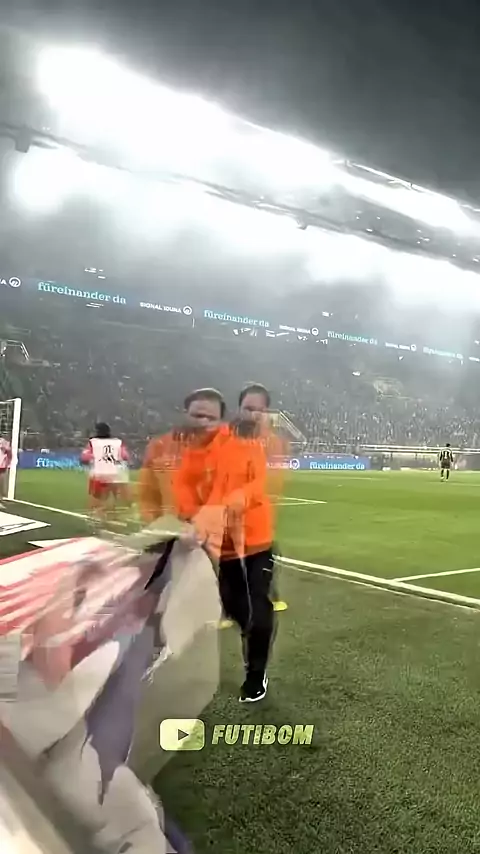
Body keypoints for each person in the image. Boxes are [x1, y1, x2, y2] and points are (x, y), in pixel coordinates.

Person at [80, 422, 130, 516]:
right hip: (116, 472)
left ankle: (96, 514)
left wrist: (97, 456)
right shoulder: (117, 442)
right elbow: (125, 456)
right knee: (113, 496)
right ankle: (113, 514)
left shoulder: (94, 442)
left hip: (100, 472)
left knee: (97, 497)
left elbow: (85, 457)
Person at [0, 436, 12, 506]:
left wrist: (8, 462)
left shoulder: (3, 442)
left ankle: (0, 499)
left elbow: (9, 452)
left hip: (1, 466)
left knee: (1, 483)